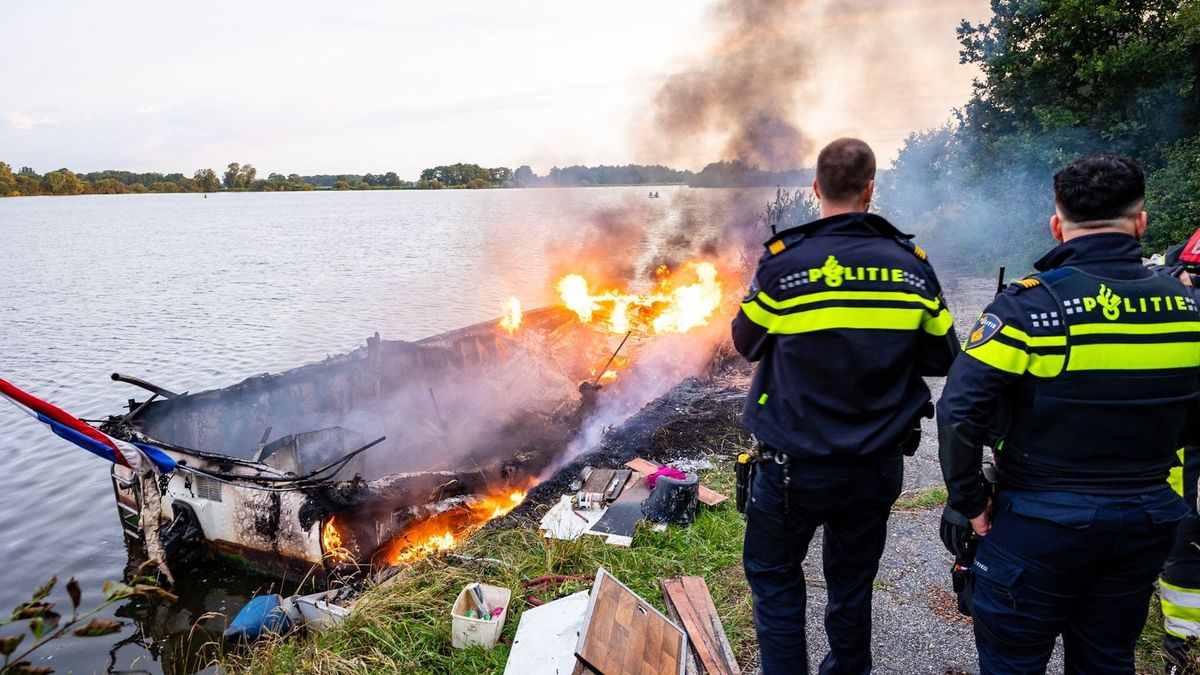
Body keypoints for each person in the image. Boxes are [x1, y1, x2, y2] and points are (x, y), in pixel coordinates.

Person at [938, 155, 1200, 673]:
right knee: (1106, 660)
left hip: (1039, 523)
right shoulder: (1188, 309)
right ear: (1141, 221)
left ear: (1057, 225)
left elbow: (960, 411)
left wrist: (971, 501)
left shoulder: (1028, 308)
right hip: (1144, 522)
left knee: (1014, 661)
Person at [733, 137, 958, 674]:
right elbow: (944, 356)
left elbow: (746, 342)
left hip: (792, 470)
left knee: (775, 578)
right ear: (870, 190)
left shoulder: (785, 266)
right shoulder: (911, 268)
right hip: (873, 466)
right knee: (852, 584)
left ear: (816, 190)